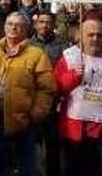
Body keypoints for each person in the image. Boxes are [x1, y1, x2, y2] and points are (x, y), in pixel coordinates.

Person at [0, 12, 55, 176]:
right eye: (9, 23)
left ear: (26, 29)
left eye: (18, 25)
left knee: (26, 167)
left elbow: (46, 89)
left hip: (24, 123)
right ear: (4, 27)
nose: (13, 27)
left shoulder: (36, 54)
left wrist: (36, 114)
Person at [53, 13, 102, 176]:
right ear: (80, 36)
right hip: (75, 131)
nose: (95, 39)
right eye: (90, 35)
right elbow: (56, 89)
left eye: (99, 35)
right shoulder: (70, 58)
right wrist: (74, 76)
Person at [29, 10, 68, 176]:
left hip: (53, 101)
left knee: (53, 143)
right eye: (41, 22)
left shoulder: (63, 46)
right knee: (32, 143)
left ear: (53, 25)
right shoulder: (27, 45)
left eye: (48, 22)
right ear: (36, 24)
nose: (45, 25)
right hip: (31, 100)